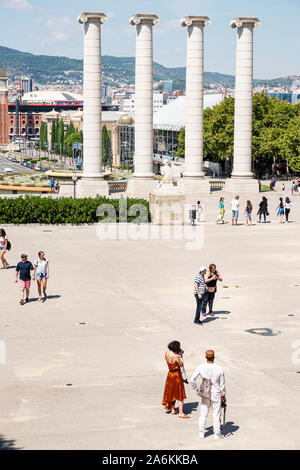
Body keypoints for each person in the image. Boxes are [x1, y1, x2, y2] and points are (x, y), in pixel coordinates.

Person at [190, 349, 226, 441]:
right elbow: (222, 385)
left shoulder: (201, 367)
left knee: (203, 413)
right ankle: (216, 434)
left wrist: (197, 389)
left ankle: (201, 432)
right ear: (214, 357)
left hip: (205, 393)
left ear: (206, 357)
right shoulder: (219, 368)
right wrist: (223, 396)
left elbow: (192, 379)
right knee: (216, 414)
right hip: (216, 393)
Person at [162, 341, 189, 419]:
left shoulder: (167, 353)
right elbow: (181, 365)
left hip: (170, 374)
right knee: (180, 394)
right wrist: (181, 356)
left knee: (171, 392)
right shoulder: (176, 356)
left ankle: (173, 409)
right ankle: (181, 412)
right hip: (176, 375)